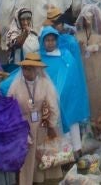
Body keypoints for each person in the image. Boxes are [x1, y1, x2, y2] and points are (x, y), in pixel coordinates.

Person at [6, 52, 64, 183]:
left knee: (43, 152)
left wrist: (51, 125)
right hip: (23, 126)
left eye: (31, 68)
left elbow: (53, 106)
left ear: (38, 69)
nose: (27, 71)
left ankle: (42, 178)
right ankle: (27, 180)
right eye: (25, 68)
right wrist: (17, 127)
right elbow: (10, 107)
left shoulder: (45, 84)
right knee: (27, 156)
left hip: (42, 124)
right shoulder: (16, 85)